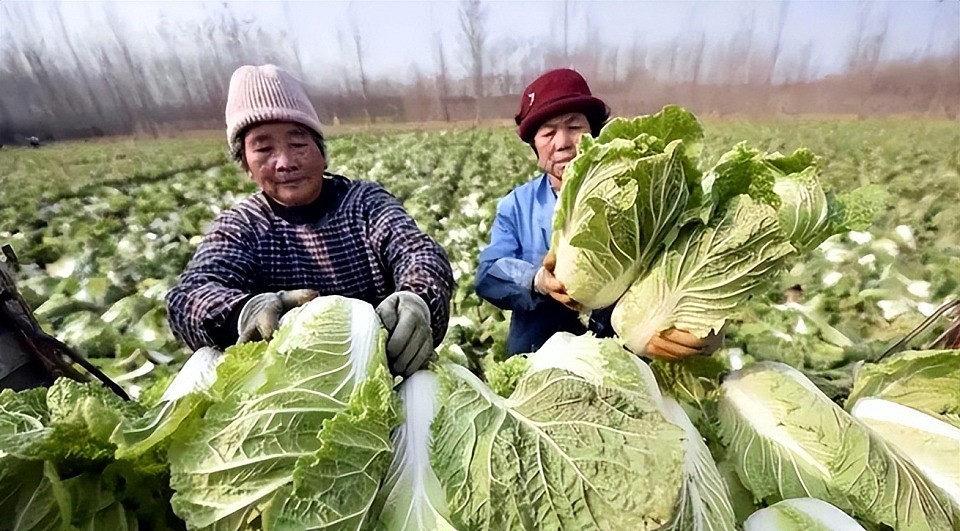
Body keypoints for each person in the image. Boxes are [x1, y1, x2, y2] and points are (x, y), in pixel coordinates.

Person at [166, 64, 454, 377]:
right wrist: (243, 311)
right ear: (246, 165)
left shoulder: (365, 205)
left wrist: (418, 299)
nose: (285, 162)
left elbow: (418, 252)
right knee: (199, 368)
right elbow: (188, 296)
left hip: (380, 373)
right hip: (281, 390)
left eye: (298, 143)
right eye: (263, 148)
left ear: (322, 152)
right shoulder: (243, 226)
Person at [475, 68, 720, 359]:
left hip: (626, 367)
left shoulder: (643, 198)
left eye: (574, 126)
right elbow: (488, 274)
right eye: (548, 132)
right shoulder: (516, 206)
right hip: (538, 366)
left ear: (595, 132)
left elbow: (690, 263)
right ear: (535, 146)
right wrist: (537, 279)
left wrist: (707, 331)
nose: (563, 142)